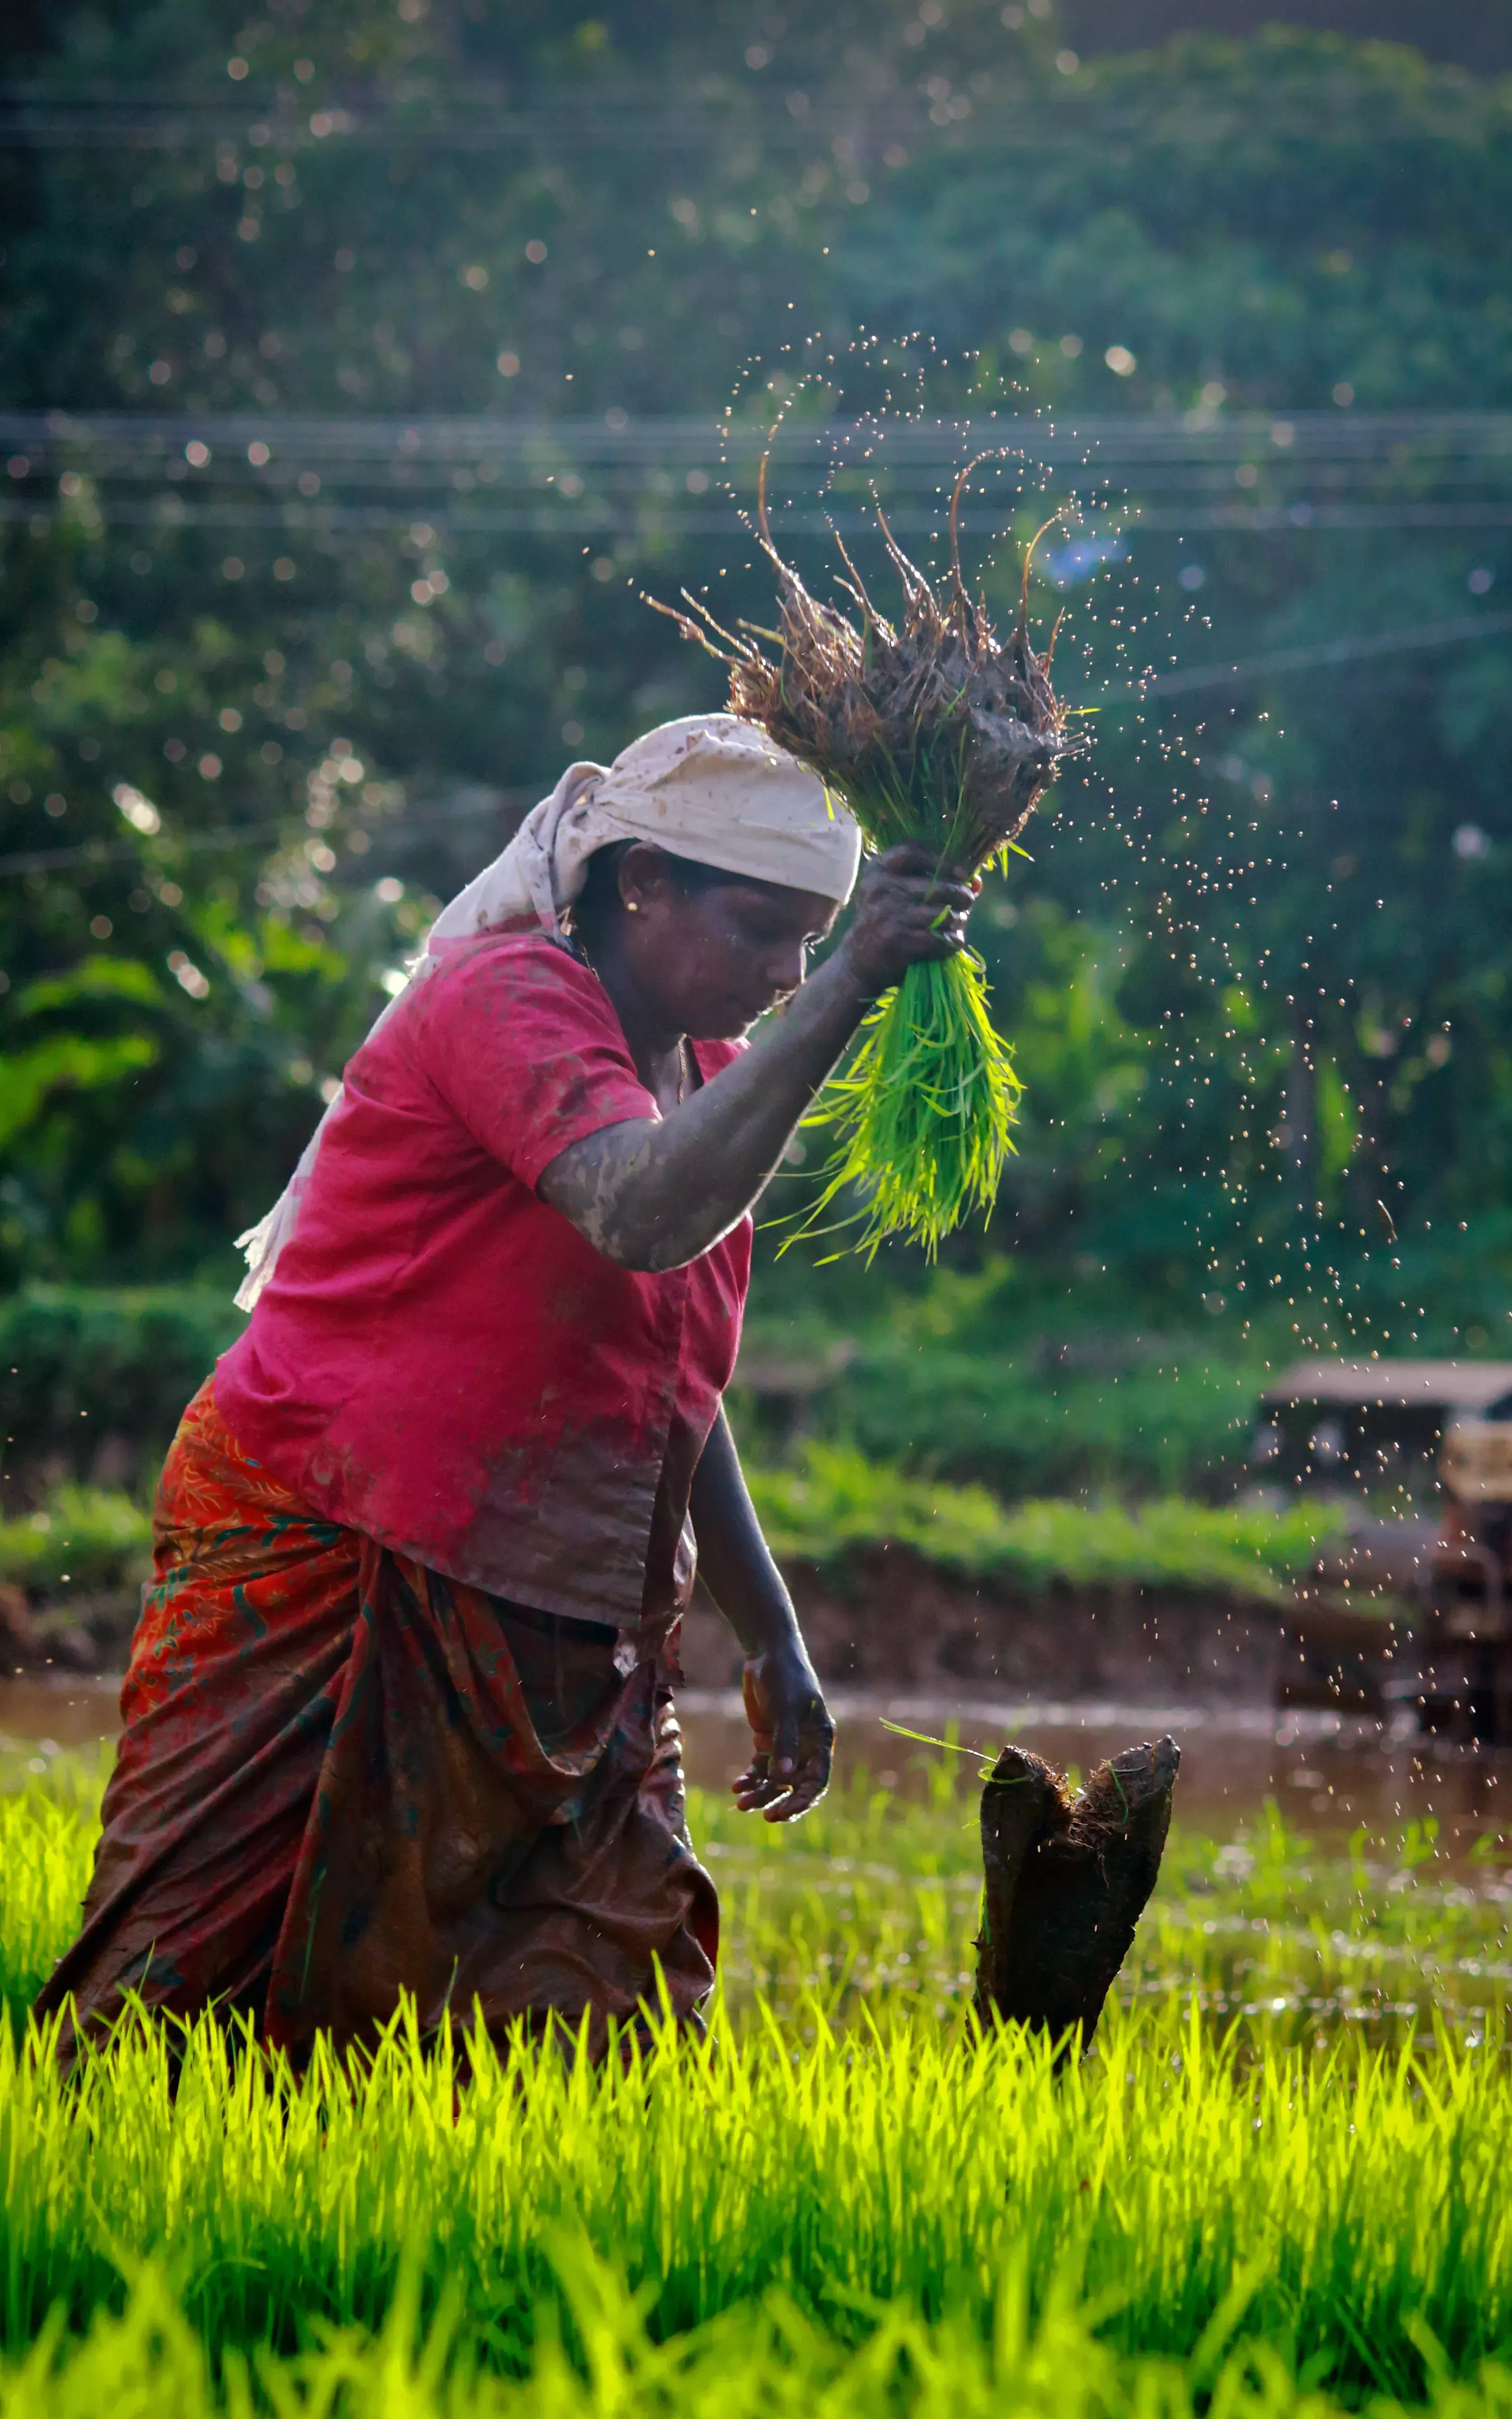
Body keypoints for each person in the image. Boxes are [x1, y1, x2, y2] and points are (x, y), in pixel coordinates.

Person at [38, 714, 977, 2065]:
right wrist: (857, 983)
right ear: (639, 881)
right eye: (760, 929)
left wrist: (767, 1625)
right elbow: (642, 1214)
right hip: (335, 1530)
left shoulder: (704, 1071)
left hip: (565, 1596)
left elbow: (668, 1377)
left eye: (811, 943)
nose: (784, 975)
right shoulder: (504, 1000)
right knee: (191, 1979)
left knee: (607, 1990)